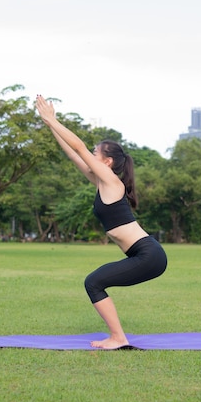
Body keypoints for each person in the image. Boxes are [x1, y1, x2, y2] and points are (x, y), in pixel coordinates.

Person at [35, 95, 167, 349]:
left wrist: (53, 118)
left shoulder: (112, 182)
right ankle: (117, 336)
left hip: (149, 255)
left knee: (93, 282)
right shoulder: (101, 183)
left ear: (107, 162)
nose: (91, 155)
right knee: (95, 281)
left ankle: (118, 338)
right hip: (143, 254)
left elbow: (79, 147)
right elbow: (75, 155)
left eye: (96, 153)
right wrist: (50, 125)